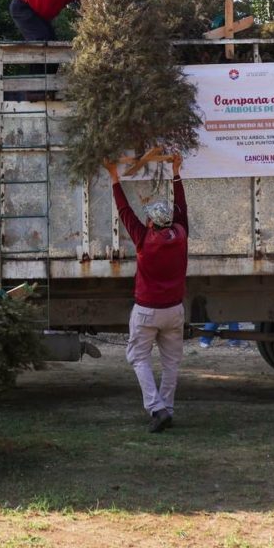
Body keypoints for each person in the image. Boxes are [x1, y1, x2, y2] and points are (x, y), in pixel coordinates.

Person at [103, 154, 189, 433]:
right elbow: (182, 208)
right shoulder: (180, 234)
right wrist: (175, 171)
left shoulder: (144, 240)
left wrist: (114, 175)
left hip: (147, 311)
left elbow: (124, 210)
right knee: (171, 363)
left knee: (139, 357)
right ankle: (167, 409)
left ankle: (156, 407)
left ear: (152, 222)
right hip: (174, 310)